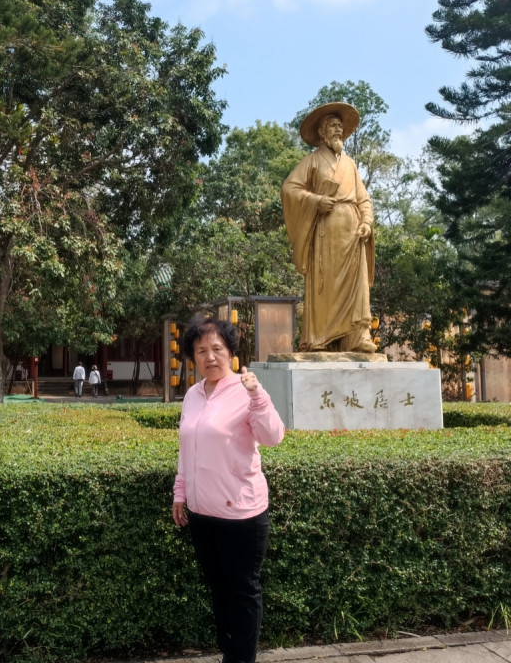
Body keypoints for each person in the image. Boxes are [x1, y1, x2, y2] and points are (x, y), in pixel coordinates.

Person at [172, 317, 285, 663]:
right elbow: (187, 448)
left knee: (242, 591)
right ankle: (229, 651)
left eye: (217, 349)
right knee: (219, 589)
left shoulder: (246, 390)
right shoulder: (193, 395)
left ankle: (240, 659)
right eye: (201, 351)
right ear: (193, 357)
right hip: (202, 514)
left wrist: (257, 395)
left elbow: (273, 436)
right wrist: (180, 492)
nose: (210, 357)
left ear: (231, 352)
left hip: (241, 514)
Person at [281, 101, 377, 353]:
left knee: (357, 288)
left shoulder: (351, 165)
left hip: (353, 235)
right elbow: (289, 188)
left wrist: (366, 222)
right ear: (322, 132)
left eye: (340, 126)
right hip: (325, 235)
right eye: (333, 126)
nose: (338, 130)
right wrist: (315, 200)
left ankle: (357, 337)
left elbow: (363, 198)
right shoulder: (312, 161)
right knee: (325, 287)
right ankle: (319, 338)